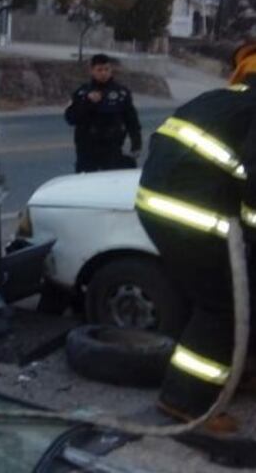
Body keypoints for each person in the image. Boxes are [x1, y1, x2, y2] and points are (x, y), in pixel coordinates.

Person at [135, 41, 255, 434]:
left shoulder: (223, 102)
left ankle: (233, 372)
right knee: (221, 305)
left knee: (232, 297)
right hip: (191, 216)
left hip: (160, 204)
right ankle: (183, 402)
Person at [65, 53, 142, 172]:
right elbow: (70, 118)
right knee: (86, 183)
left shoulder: (121, 93)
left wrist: (136, 142)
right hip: (87, 148)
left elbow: (131, 120)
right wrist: (88, 102)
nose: (103, 73)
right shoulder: (82, 93)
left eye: (106, 69)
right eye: (99, 70)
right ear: (92, 71)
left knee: (113, 181)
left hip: (112, 147)